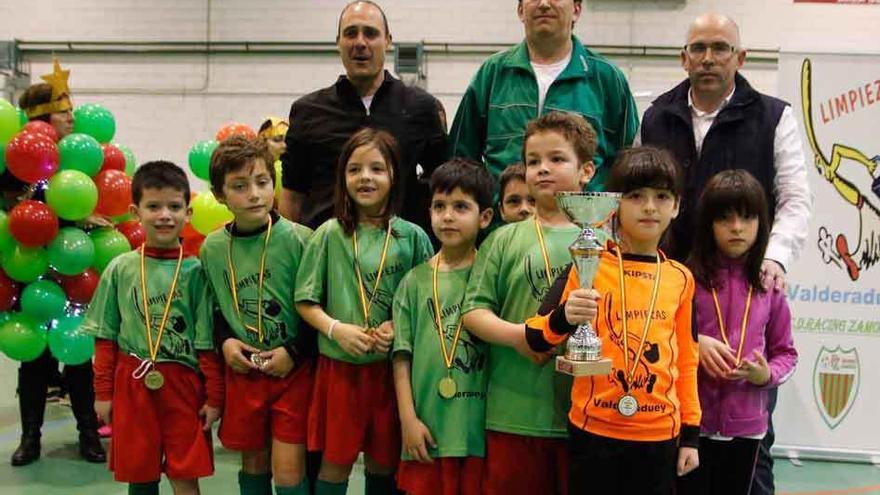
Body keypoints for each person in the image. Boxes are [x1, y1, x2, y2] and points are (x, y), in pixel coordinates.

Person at [639, 15, 812, 492]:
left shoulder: (774, 116)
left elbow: (796, 197)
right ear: (683, 58)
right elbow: (641, 198)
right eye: (698, 48)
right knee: (675, 443)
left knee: (751, 458)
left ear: (741, 57)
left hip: (747, 292)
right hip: (675, 291)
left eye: (720, 48)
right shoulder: (656, 115)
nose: (708, 58)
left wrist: (772, 260)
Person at [525, 146, 700, 494]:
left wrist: (691, 435)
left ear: (677, 206)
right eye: (636, 196)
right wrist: (564, 317)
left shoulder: (681, 278)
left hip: (659, 435)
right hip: (594, 430)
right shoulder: (586, 264)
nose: (650, 206)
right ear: (615, 204)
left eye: (662, 196)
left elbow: (687, 360)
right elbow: (535, 337)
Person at [461, 112, 596, 495]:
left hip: (585, 412)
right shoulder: (503, 240)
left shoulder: (603, 239)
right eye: (533, 161)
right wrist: (521, 336)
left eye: (556, 159)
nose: (542, 169)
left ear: (586, 170)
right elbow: (474, 311)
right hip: (513, 412)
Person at [295, 128, 433, 495]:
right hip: (339, 373)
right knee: (334, 463)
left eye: (377, 168)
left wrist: (395, 326)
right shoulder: (327, 234)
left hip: (392, 375)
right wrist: (336, 329)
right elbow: (305, 301)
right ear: (342, 178)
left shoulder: (413, 237)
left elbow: (425, 302)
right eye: (355, 169)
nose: (365, 177)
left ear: (394, 176)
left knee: (384, 463)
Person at [83, 161, 221, 495]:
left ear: (188, 213)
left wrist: (214, 395)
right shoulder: (121, 268)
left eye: (174, 207)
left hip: (184, 386)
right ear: (135, 211)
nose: (165, 215)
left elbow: (206, 343)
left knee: (185, 472)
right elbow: (105, 338)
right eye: (154, 206)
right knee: (140, 473)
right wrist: (103, 393)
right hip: (132, 382)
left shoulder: (196, 272)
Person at [200, 136, 315, 495]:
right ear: (219, 195)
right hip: (245, 372)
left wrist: (293, 353)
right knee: (253, 463)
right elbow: (215, 308)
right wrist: (226, 342)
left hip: (292, 371)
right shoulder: (213, 248)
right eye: (239, 186)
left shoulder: (301, 240)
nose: (254, 194)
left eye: (262, 182)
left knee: (287, 470)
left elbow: (319, 310)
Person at [8, 58, 106, 467]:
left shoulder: (78, 159)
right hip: (30, 274)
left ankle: (88, 433)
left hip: (74, 272)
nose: (72, 115)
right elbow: (17, 213)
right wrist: (69, 216)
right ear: (43, 118)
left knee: (79, 356)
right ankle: (30, 437)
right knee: (34, 360)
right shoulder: (15, 168)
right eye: (64, 110)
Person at [279, 0, 447, 232]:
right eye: (350, 34)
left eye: (370, 33)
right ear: (338, 42)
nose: (360, 42)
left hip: (400, 254)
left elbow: (442, 186)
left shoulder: (421, 107)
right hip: (327, 255)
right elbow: (292, 194)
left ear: (387, 41)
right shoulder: (307, 112)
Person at [678, 170, 797, 495]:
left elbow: (787, 354)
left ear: (762, 224)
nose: (736, 228)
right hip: (692, 424)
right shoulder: (686, 280)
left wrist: (765, 374)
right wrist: (696, 343)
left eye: (747, 218)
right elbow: (665, 341)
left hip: (748, 427)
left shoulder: (770, 286)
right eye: (725, 218)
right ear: (708, 225)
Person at [449, 0, 638, 190]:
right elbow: (461, 158)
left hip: (581, 219)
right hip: (504, 218)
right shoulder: (492, 74)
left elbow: (628, 164)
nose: (544, 4)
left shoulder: (608, 79)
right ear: (521, 10)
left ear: (577, 9)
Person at [392, 159, 494, 495]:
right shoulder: (413, 282)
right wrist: (408, 420)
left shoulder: (493, 277)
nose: (447, 216)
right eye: (439, 206)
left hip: (480, 432)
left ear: (485, 217)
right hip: (429, 430)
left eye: (461, 207)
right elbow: (401, 358)